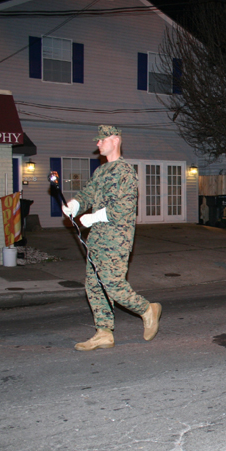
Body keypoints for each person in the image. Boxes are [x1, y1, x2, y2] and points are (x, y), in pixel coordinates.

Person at [61, 125, 161, 351]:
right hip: (97, 238)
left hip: (117, 238)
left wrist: (93, 218)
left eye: (101, 140)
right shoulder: (101, 172)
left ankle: (147, 309)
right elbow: (88, 193)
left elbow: (123, 208)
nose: (97, 143)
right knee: (94, 285)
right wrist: (75, 205)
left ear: (115, 140)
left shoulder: (125, 171)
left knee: (113, 284)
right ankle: (104, 332)